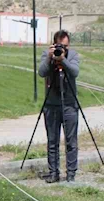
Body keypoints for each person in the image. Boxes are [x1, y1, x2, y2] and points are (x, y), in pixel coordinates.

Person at [38, 29, 80, 183]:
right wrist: (50, 57)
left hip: (69, 104)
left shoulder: (73, 55)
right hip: (51, 105)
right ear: (53, 44)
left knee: (71, 142)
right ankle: (53, 173)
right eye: (59, 46)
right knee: (52, 141)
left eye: (65, 47)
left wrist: (64, 60)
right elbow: (41, 72)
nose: (62, 50)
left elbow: (75, 72)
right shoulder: (47, 54)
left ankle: (71, 174)